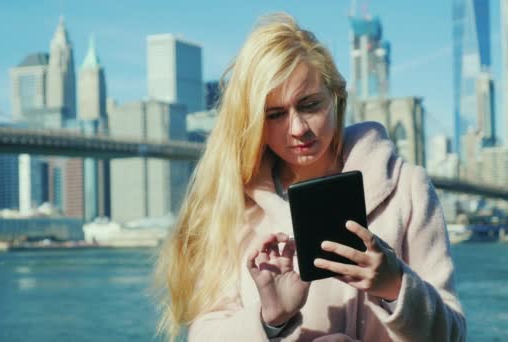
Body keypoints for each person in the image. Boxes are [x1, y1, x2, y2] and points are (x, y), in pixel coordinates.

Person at [155, 12, 466, 341]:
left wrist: (394, 286)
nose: (298, 129)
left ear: (336, 97)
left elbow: (453, 335)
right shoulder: (232, 206)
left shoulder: (408, 189)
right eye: (275, 114)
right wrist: (270, 318)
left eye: (310, 104)